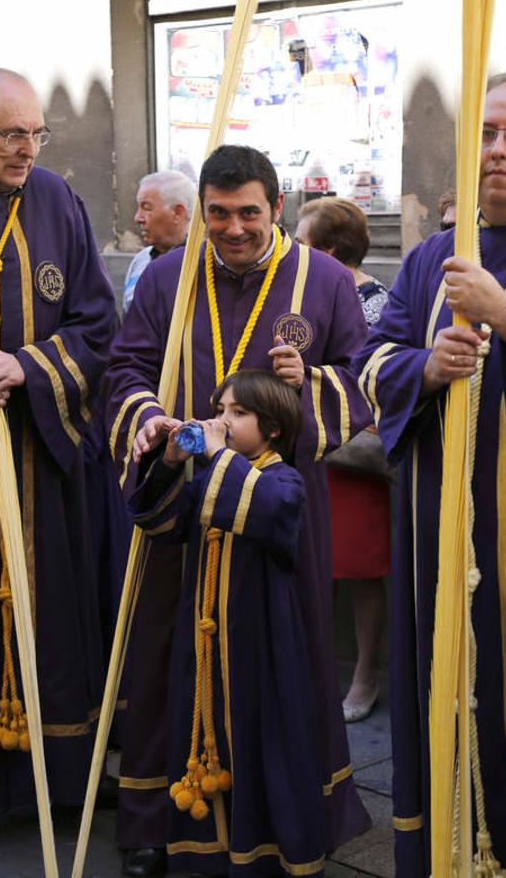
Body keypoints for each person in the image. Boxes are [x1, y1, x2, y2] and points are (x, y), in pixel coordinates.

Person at [105, 144, 372, 877]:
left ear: (276, 207)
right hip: (185, 517)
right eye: (217, 213)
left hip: (281, 518)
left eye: (248, 212)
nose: (232, 229)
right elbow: (125, 368)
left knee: (282, 660)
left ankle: (286, 820)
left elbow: (360, 381)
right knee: (167, 660)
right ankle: (157, 823)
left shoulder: (322, 279)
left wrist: (307, 384)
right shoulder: (167, 275)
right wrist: (152, 419)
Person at [354, 72, 506, 875]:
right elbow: (371, 363)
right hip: (438, 537)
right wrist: (426, 370)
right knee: (444, 693)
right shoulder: (435, 255)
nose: (498, 150)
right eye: (486, 133)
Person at [0, 67, 116, 820]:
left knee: (51, 614)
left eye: (36, 133)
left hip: (39, 458)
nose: (27, 149)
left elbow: (95, 324)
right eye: (11, 133)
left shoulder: (56, 199)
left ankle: (55, 781)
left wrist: (24, 365)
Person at [128, 369, 326, 877]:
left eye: (238, 413)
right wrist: (171, 462)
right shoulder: (216, 475)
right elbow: (159, 523)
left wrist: (215, 453)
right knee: (204, 729)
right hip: (205, 643)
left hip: (261, 645)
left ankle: (266, 853)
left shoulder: (285, 480)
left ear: (274, 428)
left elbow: (267, 507)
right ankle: (207, 852)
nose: (223, 421)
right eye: (220, 411)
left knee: (264, 742)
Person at [296, 197, 390, 722]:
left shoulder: (375, 301)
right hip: (310, 445)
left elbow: (380, 379)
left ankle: (364, 676)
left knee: (359, 566)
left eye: (302, 241)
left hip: (355, 453)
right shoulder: (303, 290)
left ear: (330, 252)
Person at [122, 170, 195, 316]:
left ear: (177, 213)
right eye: (139, 207)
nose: (138, 218)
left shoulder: (199, 264)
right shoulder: (140, 261)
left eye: (147, 208)